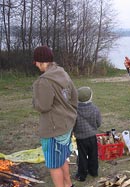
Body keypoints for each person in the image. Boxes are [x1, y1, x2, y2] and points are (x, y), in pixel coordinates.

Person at [32, 45, 77, 187]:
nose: (36, 65)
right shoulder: (62, 73)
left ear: (39, 61)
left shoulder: (44, 81)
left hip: (53, 130)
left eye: (36, 62)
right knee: (62, 157)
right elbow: (74, 96)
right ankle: (68, 184)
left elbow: (43, 106)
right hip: (67, 125)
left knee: (53, 165)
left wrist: (35, 101)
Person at [73, 86, 101, 182]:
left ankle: (82, 175)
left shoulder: (75, 110)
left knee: (82, 156)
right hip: (92, 136)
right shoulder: (95, 109)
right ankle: (94, 172)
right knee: (93, 155)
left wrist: (74, 131)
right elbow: (99, 123)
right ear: (90, 97)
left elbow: (73, 124)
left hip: (81, 138)